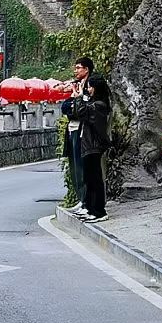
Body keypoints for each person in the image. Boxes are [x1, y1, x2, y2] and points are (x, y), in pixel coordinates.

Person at [67, 71, 111, 220]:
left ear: (97, 88)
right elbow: (78, 112)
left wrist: (79, 98)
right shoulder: (93, 103)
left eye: (90, 87)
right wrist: (78, 98)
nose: (88, 89)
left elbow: (82, 113)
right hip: (88, 145)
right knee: (89, 179)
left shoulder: (99, 105)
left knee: (95, 180)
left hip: (94, 145)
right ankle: (91, 209)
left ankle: (99, 211)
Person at [64, 55, 94, 209]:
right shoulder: (77, 85)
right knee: (75, 168)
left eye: (78, 68)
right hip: (72, 129)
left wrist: (76, 102)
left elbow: (81, 110)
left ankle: (86, 200)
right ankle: (81, 199)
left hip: (83, 131)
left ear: (86, 69)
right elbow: (65, 107)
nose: (75, 71)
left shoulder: (91, 85)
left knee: (82, 168)